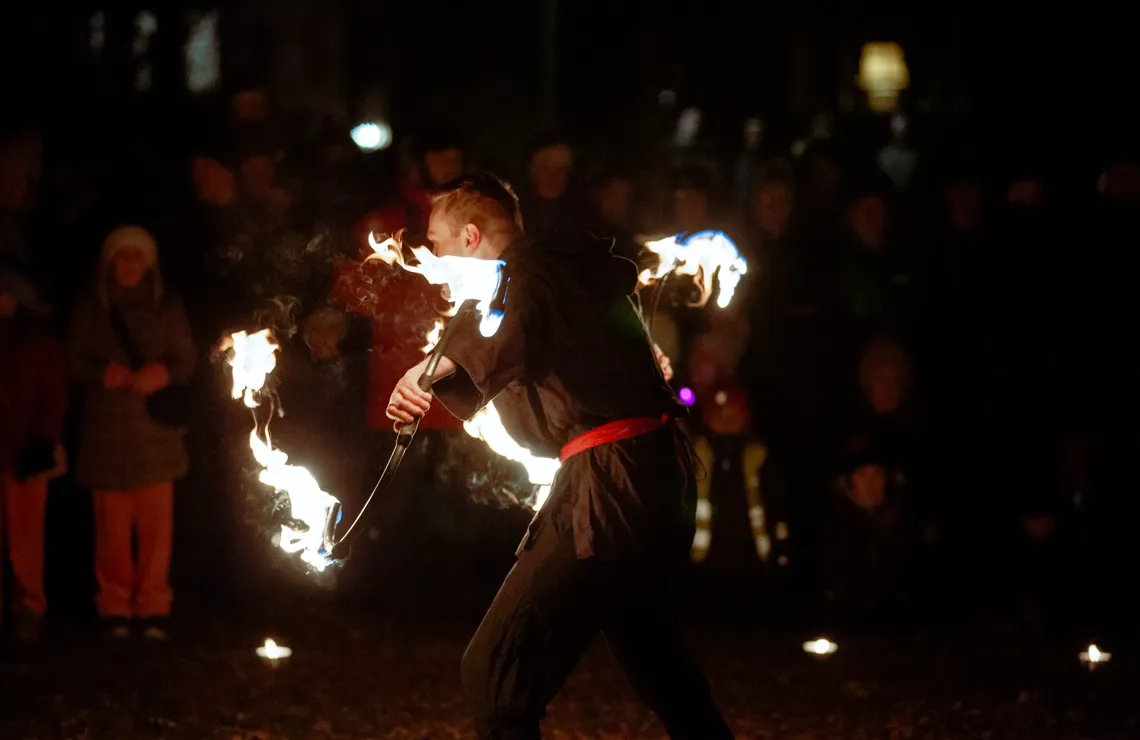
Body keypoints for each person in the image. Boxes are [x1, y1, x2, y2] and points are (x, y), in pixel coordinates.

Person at [386, 174, 733, 739]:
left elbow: (505, 330)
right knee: (657, 661)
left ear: (471, 236)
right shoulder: (556, 275)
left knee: (496, 668)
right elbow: (509, 357)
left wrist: (426, 373)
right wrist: (439, 376)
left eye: (436, 240)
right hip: (645, 479)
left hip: (611, 486)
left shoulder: (533, 273)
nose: (431, 255)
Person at [68, 226, 197, 641]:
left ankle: (154, 606)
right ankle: (115, 607)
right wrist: (101, 373)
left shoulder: (167, 307)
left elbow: (186, 359)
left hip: (154, 434)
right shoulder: (91, 307)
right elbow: (72, 359)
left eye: (137, 257)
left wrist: (161, 372)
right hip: (106, 431)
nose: (129, 264)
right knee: (112, 528)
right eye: (122, 256)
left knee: (157, 529)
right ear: (109, 261)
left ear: (149, 264)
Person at [0, 259, 67, 642]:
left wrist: (44, 440)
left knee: (26, 538)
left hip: (26, 453)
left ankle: (29, 606)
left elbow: (53, 398)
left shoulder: (39, 344)